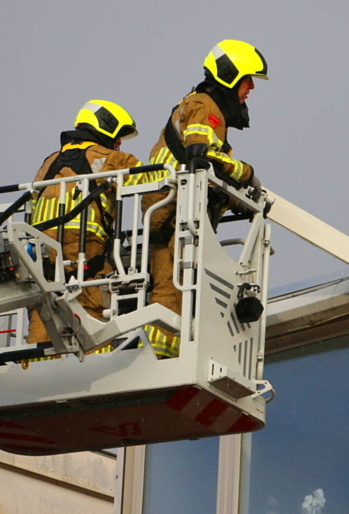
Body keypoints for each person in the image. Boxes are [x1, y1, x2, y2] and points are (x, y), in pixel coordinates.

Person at [142, 39, 268, 358]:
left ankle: (166, 353)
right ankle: (161, 357)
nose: (251, 86)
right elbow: (203, 156)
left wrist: (236, 199)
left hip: (171, 205)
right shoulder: (205, 106)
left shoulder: (200, 105)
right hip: (175, 206)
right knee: (174, 287)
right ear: (229, 75)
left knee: (177, 285)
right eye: (247, 78)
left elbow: (208, 170)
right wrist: (247, 174)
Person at [26, 100, 149, 357]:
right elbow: (150, 179)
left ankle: (39, 374)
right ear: (105, 127)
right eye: (118, 136)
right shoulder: (110, 158)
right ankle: (97, 371)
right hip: (85, 253)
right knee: (97, 317)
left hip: (43, 262)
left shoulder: (48, 161)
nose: (119, 143)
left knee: (43, 326)